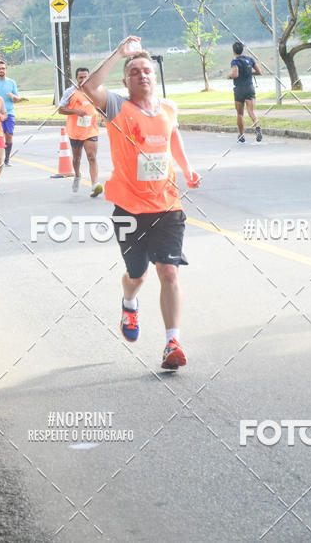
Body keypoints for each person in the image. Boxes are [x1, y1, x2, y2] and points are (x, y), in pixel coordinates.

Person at [83, 36, 200, 371]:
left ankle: (172, 342)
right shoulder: (118, 107)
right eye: (134, 72)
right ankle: (129, 302)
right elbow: (90, 86)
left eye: (147, 70)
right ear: (126, 81)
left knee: (169, 271)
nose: (142, 75)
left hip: (167, 205)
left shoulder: (168, 108)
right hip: (129, 210)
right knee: (138, 275)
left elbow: (173, 136)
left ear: (154, 75)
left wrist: (188, 168)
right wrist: (119, 52)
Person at [58, 67, 103, 196]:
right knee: (77, 158)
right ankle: (77, 175)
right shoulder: (70, 92)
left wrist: (101, 112)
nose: (83, 80)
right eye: (80, 77)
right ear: (76, 79)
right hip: (75, 131)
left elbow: (99, 104)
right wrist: (76, 112)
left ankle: (95, 184)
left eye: (86, 77)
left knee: (92, 157)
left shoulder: (94, 91)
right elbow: (60, 110)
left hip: (91, 130)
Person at [0, 60, 27, 166]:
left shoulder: (11, 82)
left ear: (6, 70)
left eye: (3, 68)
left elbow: (17, 99)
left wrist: (13, 97)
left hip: (10, 112)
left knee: (9, 135)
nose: (1, 70)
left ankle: (7, 159)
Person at [229, 40, 262, 143]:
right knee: (251, 111)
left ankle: (242, 136)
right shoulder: (250, 59)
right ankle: (257, 126)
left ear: (234, 51)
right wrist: (249, 74)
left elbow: (235, 74)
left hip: (239, 89)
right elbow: (259, 72)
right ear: (242, 50)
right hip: (249, 88)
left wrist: (228, 76)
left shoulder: (235, 61)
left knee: (240, 113)